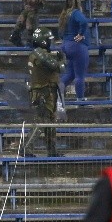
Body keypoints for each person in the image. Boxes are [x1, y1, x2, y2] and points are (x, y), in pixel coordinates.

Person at [24, 27, 65, 157]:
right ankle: (26, 148)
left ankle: (52, 151)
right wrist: (62, 59)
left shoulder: (38, 53)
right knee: (41, 122)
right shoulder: (39, 53)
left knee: (50, 122)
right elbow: (58, 67)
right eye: (48, 40)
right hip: (43, 92)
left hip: (49, 91)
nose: (49, 42)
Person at [58, 0, 90, 101]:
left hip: (66, 45)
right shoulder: (75, 12)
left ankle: (55, 93)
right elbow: (84, 21)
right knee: (79, 76)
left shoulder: (64, 14)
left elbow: (60, 33)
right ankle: (80, 100)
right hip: (77, 46)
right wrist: (80, 34)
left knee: (70, 74)